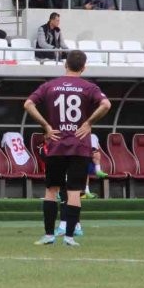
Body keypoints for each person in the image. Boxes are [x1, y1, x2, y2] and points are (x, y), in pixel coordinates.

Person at [25, 50, 111, 247]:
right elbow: (106, 105)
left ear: (65, 65)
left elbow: (28, 104)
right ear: (84, 67)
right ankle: (69, 237)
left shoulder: (50, 86)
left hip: (56, 145)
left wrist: (46, 126)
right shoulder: (89, 87)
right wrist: (88, 123)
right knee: (74, 192)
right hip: (79, 146)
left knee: (51, 190)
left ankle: (49, 235)